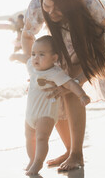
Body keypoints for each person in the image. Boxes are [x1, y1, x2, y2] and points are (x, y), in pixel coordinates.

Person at [21, 0, 105, 171]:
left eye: (56, 7)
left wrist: (77, 81)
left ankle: (77, 154)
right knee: (53, 89)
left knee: (70, 90)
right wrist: (36, 70)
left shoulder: (91, 5)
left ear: (69, 2)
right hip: (60, 39)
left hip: (86, 38)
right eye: (47, 6)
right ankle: (69, 150)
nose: (50, 12)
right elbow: (27, 35)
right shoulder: (38, 5)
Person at [10, 35, 91, 175]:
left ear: (54, 58)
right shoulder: (32, 66)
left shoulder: (55, 73)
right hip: (30, 113)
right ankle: (31, 159)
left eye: (41, 54)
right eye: (34, 53)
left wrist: (82, 95)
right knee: (29, 137)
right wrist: (15, 56)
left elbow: (71, 84)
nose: (36, 58)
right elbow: (26, 59)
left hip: (46, 114)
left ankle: (38, 163)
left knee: (41, 137)